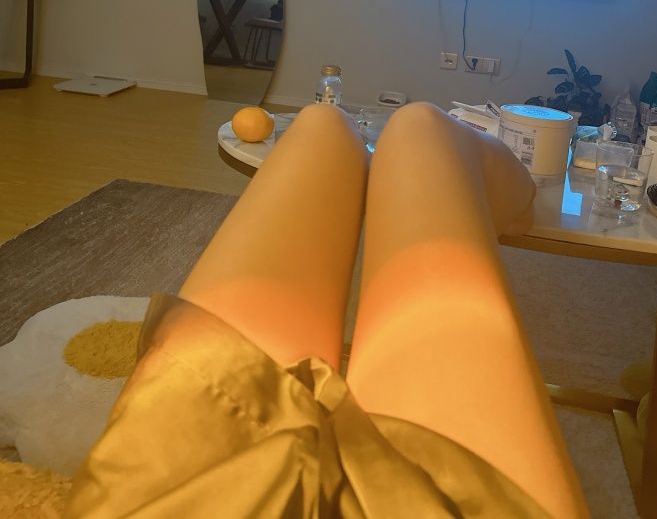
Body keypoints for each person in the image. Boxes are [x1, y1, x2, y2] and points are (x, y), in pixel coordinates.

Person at [65, 104, 588, 519]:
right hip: (434, 496)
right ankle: (513, 200)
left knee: (323, 122)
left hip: (186, 475)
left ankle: (413, 178)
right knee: (417, 125)